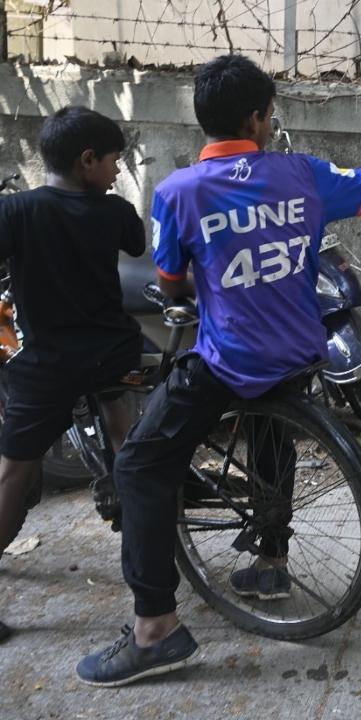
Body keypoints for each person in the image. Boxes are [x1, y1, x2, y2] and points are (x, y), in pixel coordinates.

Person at [76, 54, 361, 687]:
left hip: (232, 360)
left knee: (139, 466)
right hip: (298, 350)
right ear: (257, 117)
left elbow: (171, 280)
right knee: (271, 435)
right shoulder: (302, 174)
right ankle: (274, 561)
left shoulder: (177, 193)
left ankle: (154, 630)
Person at [0, 106, 146, 644]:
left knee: (14, 473)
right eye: (113, 161)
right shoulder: (115, 213)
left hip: (47, 367)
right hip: (112, 353)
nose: (115, 171)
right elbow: (136, 245)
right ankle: (144, 543)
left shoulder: (16, 212)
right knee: (123, 436)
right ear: (88, 161)